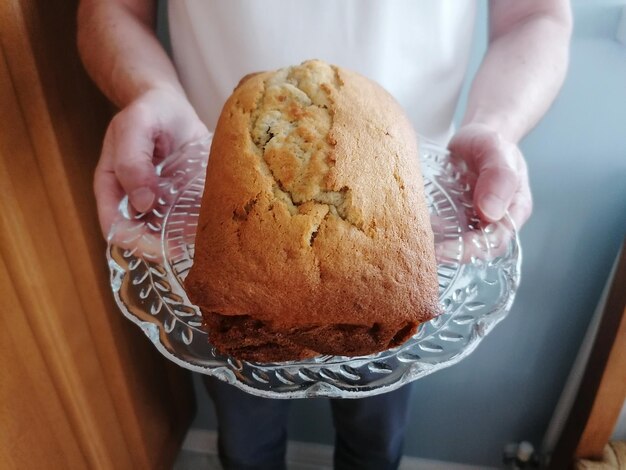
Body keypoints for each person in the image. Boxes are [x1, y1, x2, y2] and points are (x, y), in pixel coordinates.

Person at [77, 1, 572, 469]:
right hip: (212, 218)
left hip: (406, 231)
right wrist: (151, 93)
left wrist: (497, 125)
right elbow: (111, 7)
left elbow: (535, 13)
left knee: (375, 445)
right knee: (247, 444)